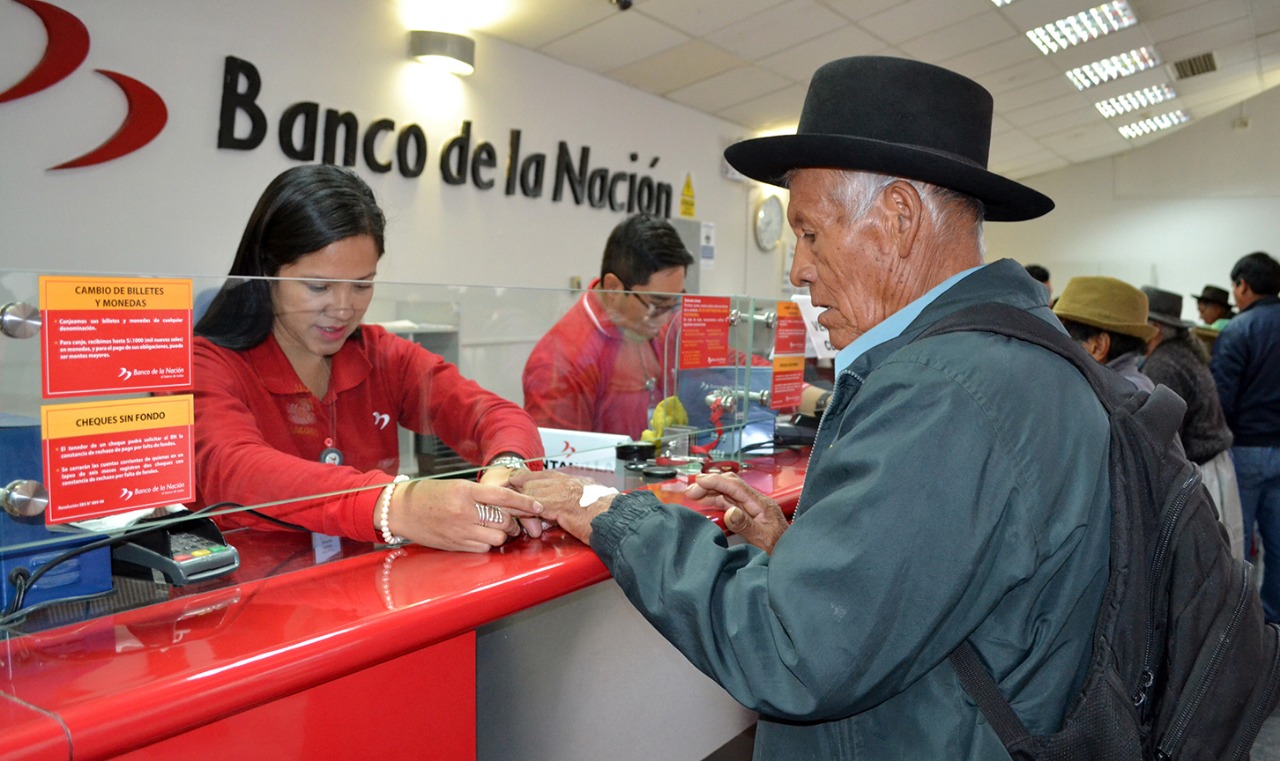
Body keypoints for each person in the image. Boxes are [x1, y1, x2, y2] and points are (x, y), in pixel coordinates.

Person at [511, 56, 1113, 759]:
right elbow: (928, 587)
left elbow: (793, 652)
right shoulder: (1011, 358)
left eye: (810, 233)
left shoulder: (944, 392)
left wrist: (618, 514)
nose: (797, 268)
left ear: (898, 218)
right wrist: (806, 555)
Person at [193, 164, 545, 551]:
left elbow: (496, 415)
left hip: (364, 591)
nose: (343, 309)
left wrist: (506, 471)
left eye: (362, 285)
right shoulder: (205, 364)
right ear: (266, 273)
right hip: (242, 597)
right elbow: (233, 469)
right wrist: (397, 505)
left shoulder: (380, 355)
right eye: (318, 286)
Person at [522, 214, 694, 439]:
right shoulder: (561, 361)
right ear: (613, 288)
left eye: (676, 301)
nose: (666, 317)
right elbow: (557, 466)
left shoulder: (652, 321)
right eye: (658, 303)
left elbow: (726, 361)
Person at [1142, 286, 1244, 559]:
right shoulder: (1182, 354)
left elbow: (1166, 436)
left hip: (1201, 470)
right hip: (1213, 464)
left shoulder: (1163, 364)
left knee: (1203, 561)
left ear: (1155, 327)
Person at [1211, 251, 1280, 619]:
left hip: (1247, 449)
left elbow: (1223, 398)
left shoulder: (1239, 330)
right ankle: (1274, 618)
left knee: (1240, 543)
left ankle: (1245, 621)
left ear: (1243, 286)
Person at [1051, 275, 1157, 392]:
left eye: (1065, 341)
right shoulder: (1134, 389)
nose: (1056, 350)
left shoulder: (1108, 396)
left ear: (1098, 346)